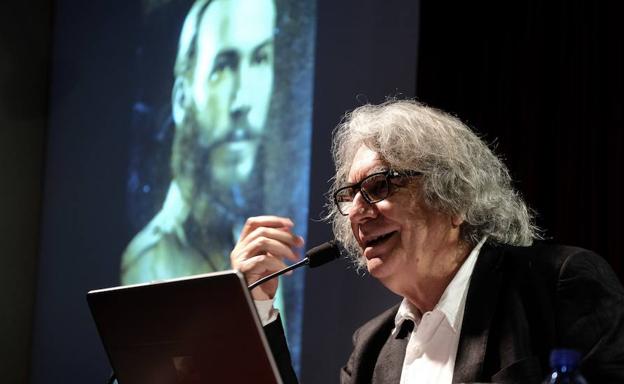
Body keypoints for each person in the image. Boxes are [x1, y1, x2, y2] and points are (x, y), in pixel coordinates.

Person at [230, 100, 624, 383]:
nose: (354, 212)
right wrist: (259, 308)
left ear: (455, 198)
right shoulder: (371, 348)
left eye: (378, 186)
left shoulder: (559, 286)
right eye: (348, 197)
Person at [121, 0, 276, 284]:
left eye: (260, 59)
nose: (243, 101)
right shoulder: (149, 263)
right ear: (182, 98)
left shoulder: (260, 251)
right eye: (223, 67)